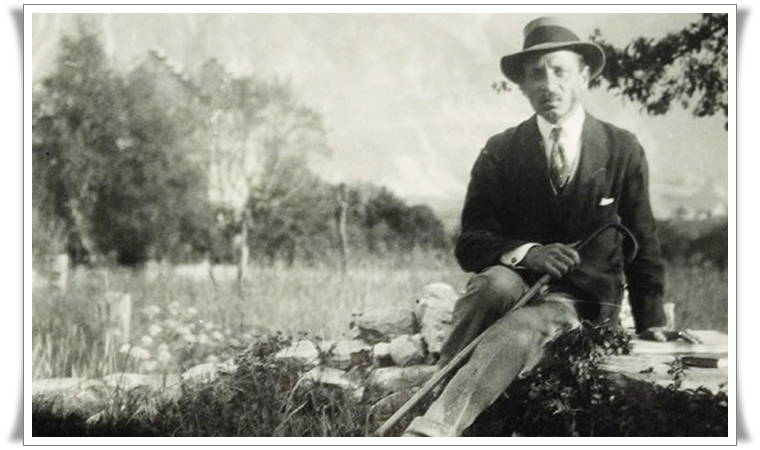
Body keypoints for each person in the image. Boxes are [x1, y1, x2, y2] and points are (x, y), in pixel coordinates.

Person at [402, 16, 668, 437]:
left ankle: (430, 432)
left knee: (520, 327)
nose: (548, 85)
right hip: (515, 284)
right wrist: (529, 253)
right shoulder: (501, 149)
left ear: (583, 76)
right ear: (523, 85)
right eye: (535, 74)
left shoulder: (621, 148)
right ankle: (440, 391)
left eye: (560, 71)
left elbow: (644, 237)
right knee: (492, 285)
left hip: (581, 301)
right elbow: (470, 243)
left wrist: (651, 318)